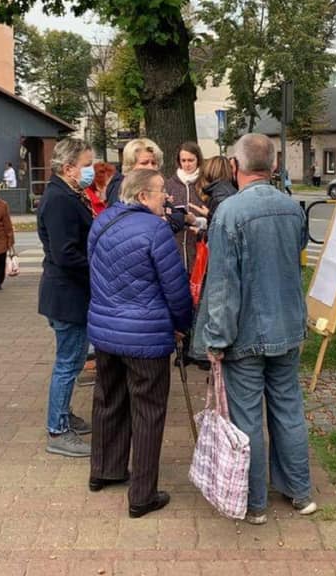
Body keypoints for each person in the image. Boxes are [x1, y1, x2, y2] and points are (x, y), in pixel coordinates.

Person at [193, 134, 316, 525]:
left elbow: (224, 286)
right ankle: (299, 492)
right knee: (288, 410)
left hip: (245, 333)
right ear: (274, 166)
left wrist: (215, 340)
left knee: (246, 420)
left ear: (234, 166)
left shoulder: (228, 213)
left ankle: (254, 503)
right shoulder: (292, 209)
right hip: (287, 325)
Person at [87, 168, 193, 517]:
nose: (167, 197)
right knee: (148, 411)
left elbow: (94, 271)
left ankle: (105, 469)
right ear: (143, 195)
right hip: (145, 334)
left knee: (108, 400)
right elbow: (176, 288)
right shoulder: (156, 230)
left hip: (105, 330)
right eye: (162, 191)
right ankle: (142, 494)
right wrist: (182, 325)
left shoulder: (101, 223)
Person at [37, 136, 95, 457]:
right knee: (68, 362)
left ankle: (62, 415)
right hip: (67, 294)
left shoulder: (69, 193)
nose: (91, 170)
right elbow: (66, 254)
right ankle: (57, 429)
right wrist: (99, 266)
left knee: (70, 361)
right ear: (69, 167)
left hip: (69, 292)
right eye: (87, 165)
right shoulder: (60, 199)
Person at [164, 142, 207, 271]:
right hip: (177, 246)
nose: (187, 164)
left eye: (191, 160)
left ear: (198, 160)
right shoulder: (170, 184)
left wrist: (199, 221)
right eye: (183, 160)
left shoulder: (205, 182)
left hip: (199, 245)